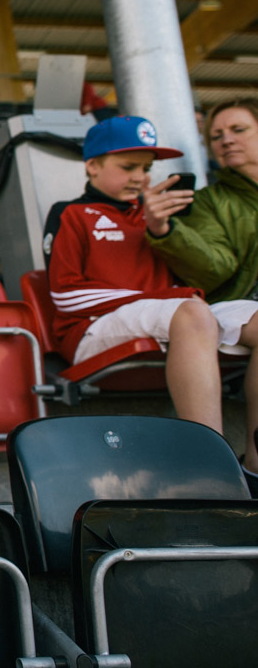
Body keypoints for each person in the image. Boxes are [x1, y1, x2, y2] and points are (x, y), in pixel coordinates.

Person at [43, 115, 257, 480]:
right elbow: (67, 298)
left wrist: (165, 230)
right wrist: (165, 297)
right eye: (128, 167)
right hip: (90, 329)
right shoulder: (71, 213)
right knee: (191, 312)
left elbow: (193, 277)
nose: (140, 177)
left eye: (146, 168)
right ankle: (210, 470)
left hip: (170, 315)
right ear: (92, 166)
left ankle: (254, 468)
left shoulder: (157, 215)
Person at [142, 99, 258, 490]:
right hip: (231, 304)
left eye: (238, 130)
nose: (226, 140)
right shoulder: (210, 201)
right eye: (217, 135)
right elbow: (215, 268)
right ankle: (252, 470)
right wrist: (165, 231)